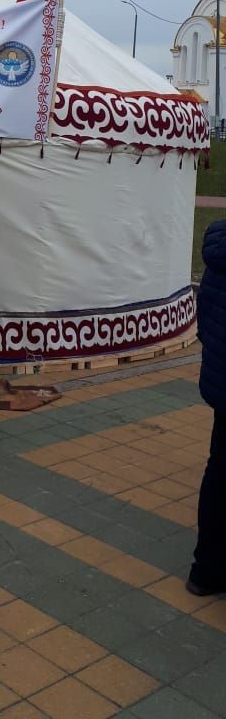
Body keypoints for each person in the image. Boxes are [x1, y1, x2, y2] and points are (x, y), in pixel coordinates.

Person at [187, 219, 226, 595]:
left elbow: (205, 325)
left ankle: (205, 569)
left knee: (218, 473)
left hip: (220, 383)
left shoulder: (217, 252)